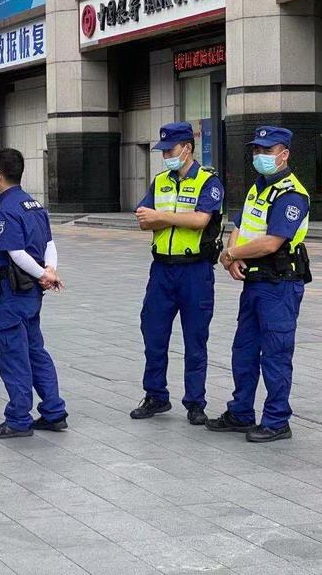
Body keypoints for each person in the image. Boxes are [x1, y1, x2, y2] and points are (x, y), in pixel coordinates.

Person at [207, 126, 312, 443]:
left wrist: (232, 254)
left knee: (276, 354)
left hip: (279, 285)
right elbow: (240, 226)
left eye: (267, 151)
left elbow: (271, 242)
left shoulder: (291, 195)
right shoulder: (259, 187)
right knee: (244, 351)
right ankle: (240, 413)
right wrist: (231, 255)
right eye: (256, 150)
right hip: (254, 282)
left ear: (284, 154)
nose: (260, 156)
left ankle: (277, 421)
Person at [130, 122, 224, 425]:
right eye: (164, 152)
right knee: (153, 333)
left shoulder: (208, 181)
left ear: (187, 148)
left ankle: (195, 403)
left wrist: (161, 216)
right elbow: (143, 220)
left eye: (170, 150)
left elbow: (200, 221)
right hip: (162, 271)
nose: (166, 156)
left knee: (195, 339)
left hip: (195, 271)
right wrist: (172, 218)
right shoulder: (160, 182)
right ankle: (156, 395)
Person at [0, 148, 68, 439]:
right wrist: (49, 271)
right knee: (34, 349)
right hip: (31, 292)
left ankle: (18, 419)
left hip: (11, 291)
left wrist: (43, 274)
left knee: (13, 353)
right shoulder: (33, 204)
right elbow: (49, 244)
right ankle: (54, 411)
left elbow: (15, 252)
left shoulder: (6, 207)